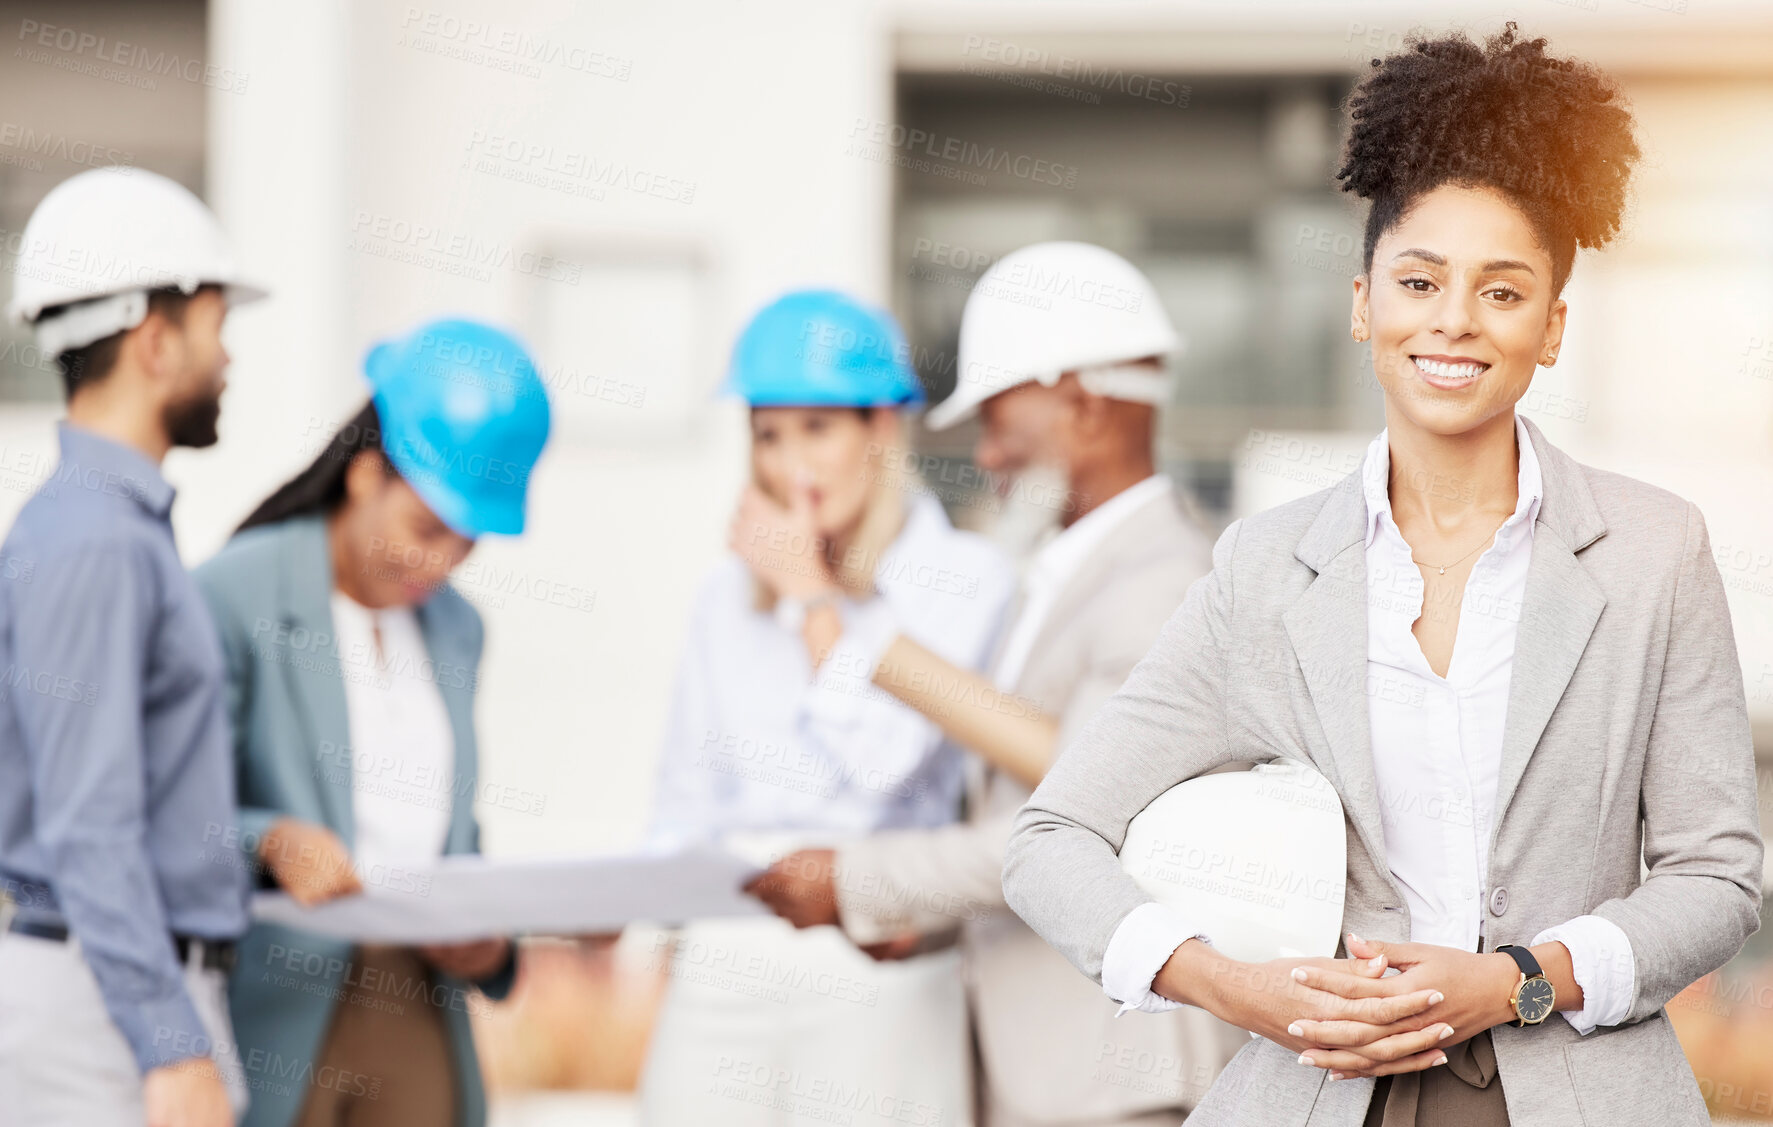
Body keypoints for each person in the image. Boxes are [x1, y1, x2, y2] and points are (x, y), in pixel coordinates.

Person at [1002, 25, 1764, 1127]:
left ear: (1551, 328)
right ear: (1365, 304)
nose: (1454, 319)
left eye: (1503, 292)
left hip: (1579, 1089)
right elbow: (1051, 839)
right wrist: (1240, 989)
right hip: (1321, 1088)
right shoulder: (1263, 569)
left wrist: (1515, 979)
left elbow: (1715, 877)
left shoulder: (1656, 549)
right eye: (1419, 280)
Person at [748, 243, 1249, 1126]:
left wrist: (856, 880)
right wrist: (925, 924)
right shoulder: (1065, 575)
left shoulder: (1157, 584)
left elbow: (1068, 829)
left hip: (1110, 1078)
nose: (984, 454)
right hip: (1049, 1067)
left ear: (1082, 405)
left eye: (999, 423)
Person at [638, 289, 1017, 1127]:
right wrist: (659, 936)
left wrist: (812, 598)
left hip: (874, 945)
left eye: (817, 428)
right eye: (769, 434)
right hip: (726, 943)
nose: (788, 464)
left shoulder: (965, 580)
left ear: (881, 431)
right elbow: (686, 791)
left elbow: (886, 761)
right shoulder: (722, 595)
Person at [193, 319, 550, 1127]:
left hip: (419, 1004)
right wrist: (269, 840)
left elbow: (453, 834)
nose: (441, 563)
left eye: (467, 542)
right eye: (427, 529)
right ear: (364, 474)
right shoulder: (232, 594)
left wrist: (491, 943)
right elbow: (159, 809)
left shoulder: (457, 627)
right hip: (275, 999)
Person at [0, 167, 268, 1127]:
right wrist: (171, 1042)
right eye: (215, 329)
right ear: (155, 340)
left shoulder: (112, 529)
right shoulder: (94, 541)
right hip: (106, 1012)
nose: (228, 359)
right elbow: (87, 821)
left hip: (118, 991)